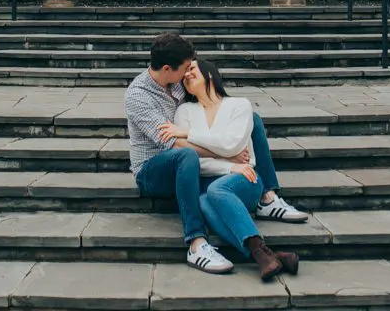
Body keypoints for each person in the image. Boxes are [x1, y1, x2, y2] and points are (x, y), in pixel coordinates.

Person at [124, 32, 307, 275]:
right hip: (154, 169)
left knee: (250, 121)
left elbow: (214, 105)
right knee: (186, 157)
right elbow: (177, 144)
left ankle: (268, 198)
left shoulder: (177, 81)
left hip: (194, 168)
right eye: (186, 68)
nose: (189, 73)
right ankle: (196, 243)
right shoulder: (138, 96)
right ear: (168, 69)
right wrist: (228, 158)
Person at [160, 58, 301, 281]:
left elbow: (232, 144)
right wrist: (231, 164)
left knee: (216, 191)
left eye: (192, 69)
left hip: (245, 179)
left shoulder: (239, 105)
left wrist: (188, 134)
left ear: (209, 75)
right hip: (220, 176)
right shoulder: (184, 111)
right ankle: (266, 254)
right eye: (184, 73)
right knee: (205, 202)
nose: (186, 75)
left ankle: (264, 252)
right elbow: (193, 160)